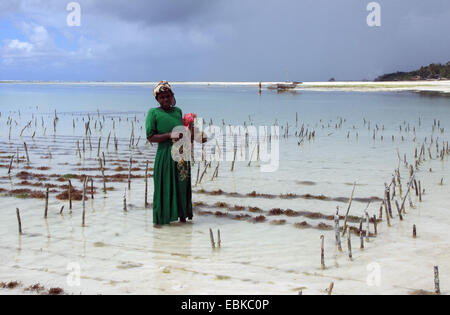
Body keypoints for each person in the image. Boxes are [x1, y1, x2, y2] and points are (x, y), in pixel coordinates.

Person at [146, 81, 206, 226]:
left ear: (172, 96)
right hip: (165, 156)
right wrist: (169, 135)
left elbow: (186, 132)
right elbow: (150, 137)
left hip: (181, 155)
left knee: (182, 186)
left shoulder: (178, 111)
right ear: (157, 99)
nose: (165, 100)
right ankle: (161, 222)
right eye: (162, 97)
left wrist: (194, 132)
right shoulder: (153, 113)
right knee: (163, 187)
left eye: (168, 96)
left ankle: (183, 219)